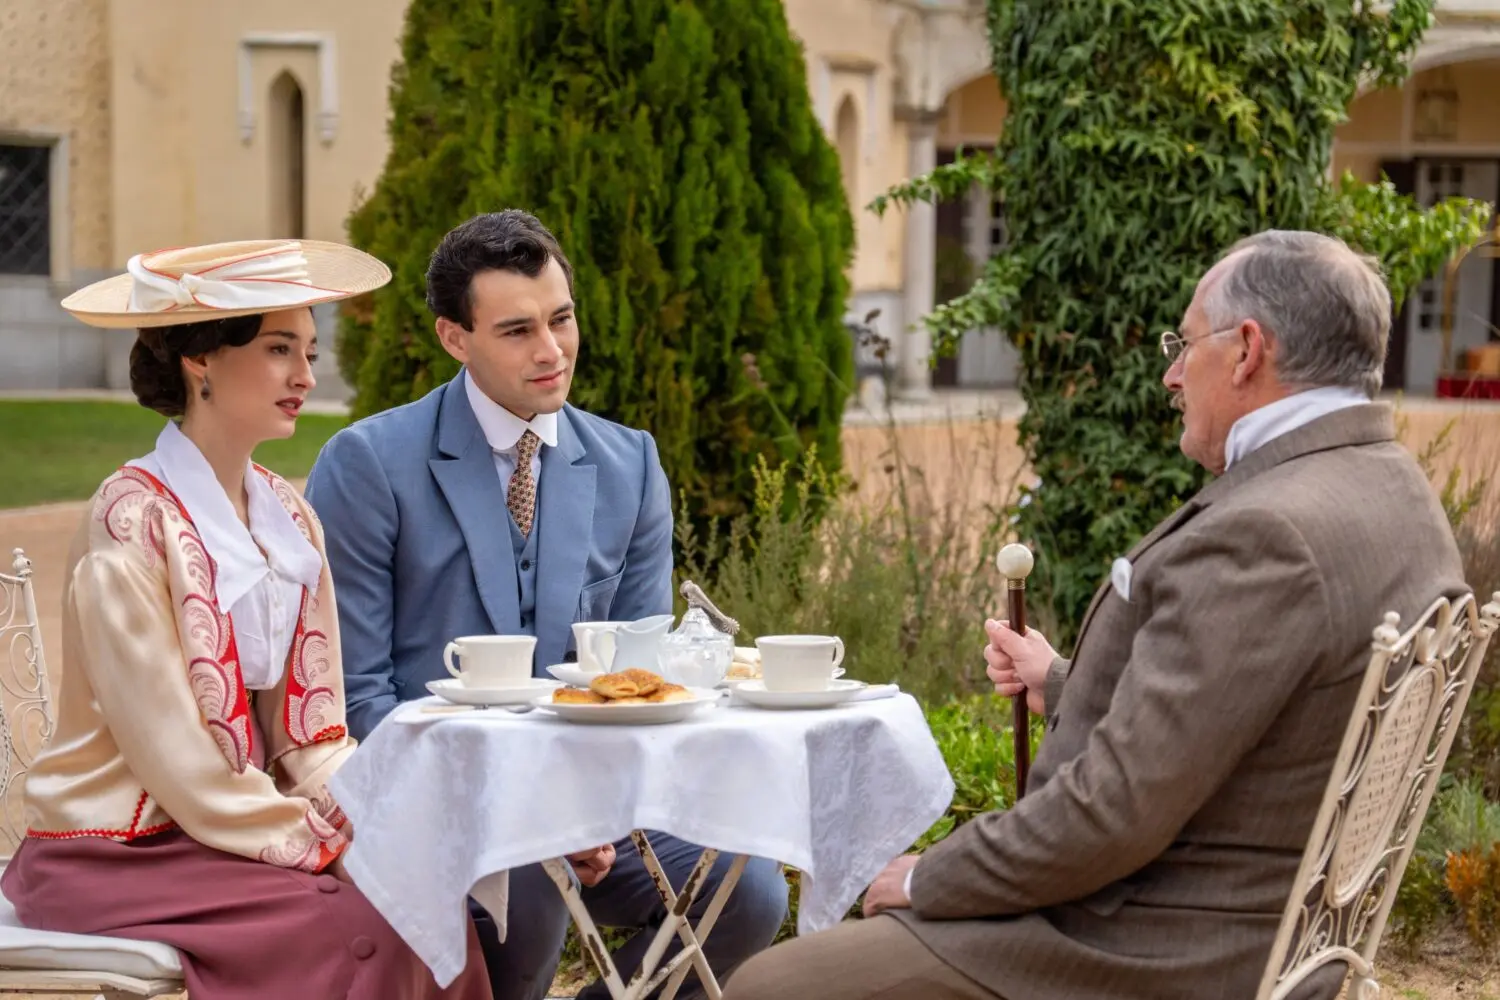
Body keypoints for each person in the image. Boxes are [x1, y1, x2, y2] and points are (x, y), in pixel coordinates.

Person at [721, 230, 1470, 1000]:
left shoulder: (1268, 533)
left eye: (1185, 345)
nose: (1174, 375)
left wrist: (928, 877)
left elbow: (1114, 815)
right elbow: (1253, 717)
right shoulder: (1396, 493)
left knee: (774, 985)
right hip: (1282, 933)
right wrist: (1068, 684)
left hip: (1152, 943)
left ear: (1247, 350)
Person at [305, 210, 788, 1000]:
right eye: (517, 330)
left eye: (561, 319)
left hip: (596, 804)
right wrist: (526, 818)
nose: (551, 350)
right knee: (527, 887)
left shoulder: (629, 464)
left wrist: (589, 814)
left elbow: (636, 684)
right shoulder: (367, 465)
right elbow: (358, 699)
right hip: (434, 805)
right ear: (454, 338)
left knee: (752, 891)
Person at [2, 240, 493, 1000]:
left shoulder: (289, 520)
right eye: (277, 350)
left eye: (309, 351)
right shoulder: (130, 524)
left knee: (421, 903)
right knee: (353, 926)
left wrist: (378, 812)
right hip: (115, 851)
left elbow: (314, 730)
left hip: (231, 832)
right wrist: (314, 841)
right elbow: (178, 761)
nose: (305, 375)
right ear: (201, 360)